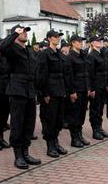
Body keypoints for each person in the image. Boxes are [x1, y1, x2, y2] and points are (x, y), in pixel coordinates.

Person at [0, 25, 41, 169]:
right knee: (17, 124)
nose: (25, 34)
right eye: (22, 32)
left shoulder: (28, 50)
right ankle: (18, 156)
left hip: (30, 90)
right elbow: (2, 48)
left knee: (29, 123)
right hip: (17, 90)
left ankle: (26, 152)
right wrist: (13, 34)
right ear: (15, 34)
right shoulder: (11, 49)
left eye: (25, 32)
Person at [36, 30, 68, 158]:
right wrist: (45, 93)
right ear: (49, 38)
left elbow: (63, 74)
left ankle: (56, 141)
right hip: (50, 92)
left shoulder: (59, 54)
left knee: (58, 119)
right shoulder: (44, 54)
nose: (58, 39)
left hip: (59, 90)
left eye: (59, 37)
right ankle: (50, 145)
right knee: (49, 119)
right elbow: (41, 74)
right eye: (55, 37)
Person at [64, 35, 91, 148]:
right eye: (79, 42)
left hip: (84, 88)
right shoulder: (70, 57)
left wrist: (88, 88)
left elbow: (87, 73)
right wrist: (72, 91)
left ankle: (79, 135)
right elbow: (68, 76)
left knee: (81, 114)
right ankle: (74, 138)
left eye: (82, 41)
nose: (81, 43)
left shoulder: (83, 56)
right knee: (74, 115)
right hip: (76, 89)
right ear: (73, 43)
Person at [87, 35, 108, 140]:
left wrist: (107, 84)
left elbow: (105, 71)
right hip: (96, 86)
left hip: (102, 85)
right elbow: (90, 74)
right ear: (92, 43)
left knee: (100, 108)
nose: (99, 42)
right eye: (97, 41)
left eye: (100, 40)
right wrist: (91, 89)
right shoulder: (92, 55)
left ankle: (99, 127)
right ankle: (95, 130)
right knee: (95, 109)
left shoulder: (101, 54)